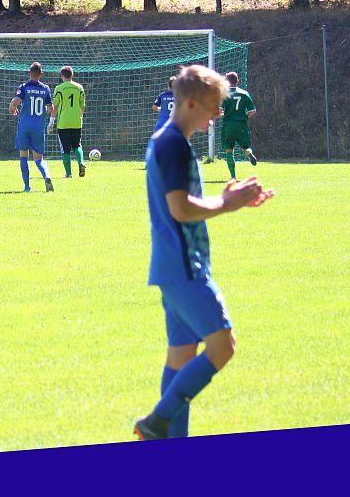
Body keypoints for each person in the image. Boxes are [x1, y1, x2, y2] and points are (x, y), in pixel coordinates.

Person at [134, 65, 274, 440]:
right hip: (184, 268)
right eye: (213, 106)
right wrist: (227, 204)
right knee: (223, 345)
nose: (218, 114)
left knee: (181, 355)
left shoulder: (168, 141)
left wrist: (228, 200)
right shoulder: (173, 145)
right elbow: (180, 209)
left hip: (173, 266)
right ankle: (156, 422)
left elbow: (182, 204)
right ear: (192, 103)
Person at [9, 62, 55, 192]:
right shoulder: (45, 89)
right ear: (41, 74)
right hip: (38, 127)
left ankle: (27, 187)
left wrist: (12, 108)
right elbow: (50, 108)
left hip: (24, 126)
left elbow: (15, 101)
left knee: (23, 155)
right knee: (39, 158)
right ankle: (47, 176)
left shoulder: (24, 87)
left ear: (29, 73)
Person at [220, 71, 258, 180]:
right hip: (241, 124)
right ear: (238, 81)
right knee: (246, 146)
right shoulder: (244, 93)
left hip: (228, 125)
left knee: (229, 150)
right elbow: (253, 111)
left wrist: (220, 114)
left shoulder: (224, 94)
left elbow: (220, 110)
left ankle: (233, 177)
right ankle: (249, 153)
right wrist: (244, 117)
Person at [52, 66, 87, 178]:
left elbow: (55, 106)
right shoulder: (79, 87)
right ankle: (81, 163)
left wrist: (51, 121)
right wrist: (78, 116)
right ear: (72, 75)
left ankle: (68, 173)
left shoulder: (59, 88)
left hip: (63, 123)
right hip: (76, 122)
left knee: (65, 148)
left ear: (62, 76)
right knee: (77, 145)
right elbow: (82, 106)